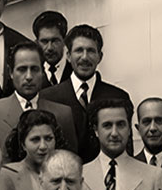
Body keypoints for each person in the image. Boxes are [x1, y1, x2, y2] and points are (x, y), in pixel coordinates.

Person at [40, 24, 131, 162]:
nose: (84, 57)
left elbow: (126, 151)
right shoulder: (48, 98)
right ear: (68, 56)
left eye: (91, 51)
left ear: (100, 57)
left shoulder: (118, 97)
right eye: (79, 50)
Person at [0, 41, 78, 159]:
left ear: (42, 72)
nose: (29, 77)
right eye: (22, 69)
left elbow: (69, 160)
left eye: (34, 69)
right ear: (11, 72)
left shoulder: (62, 113)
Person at [81, 99, 161, 190]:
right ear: (96, 130)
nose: (114, 133)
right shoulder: (79, 176)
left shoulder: (154, 176)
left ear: (129, 129)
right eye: (107, 125)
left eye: (120, 125)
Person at [1, 109, 62, 190]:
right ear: (23, 145)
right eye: (35, 140)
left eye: (48, 139)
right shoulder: (8, 175)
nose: (43, 146)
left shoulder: (66, 173)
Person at [33, 10, 71, 86]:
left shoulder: (76, 73)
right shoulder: (33, 76)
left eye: (55, 41)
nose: (50, 48)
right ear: (37, 43)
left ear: (65, 41)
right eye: (44, 42)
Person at [134, 97, 162, 166]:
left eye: (159, 121)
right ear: (138, 128)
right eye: (146, 122)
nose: (152, 128)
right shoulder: (128, 167)